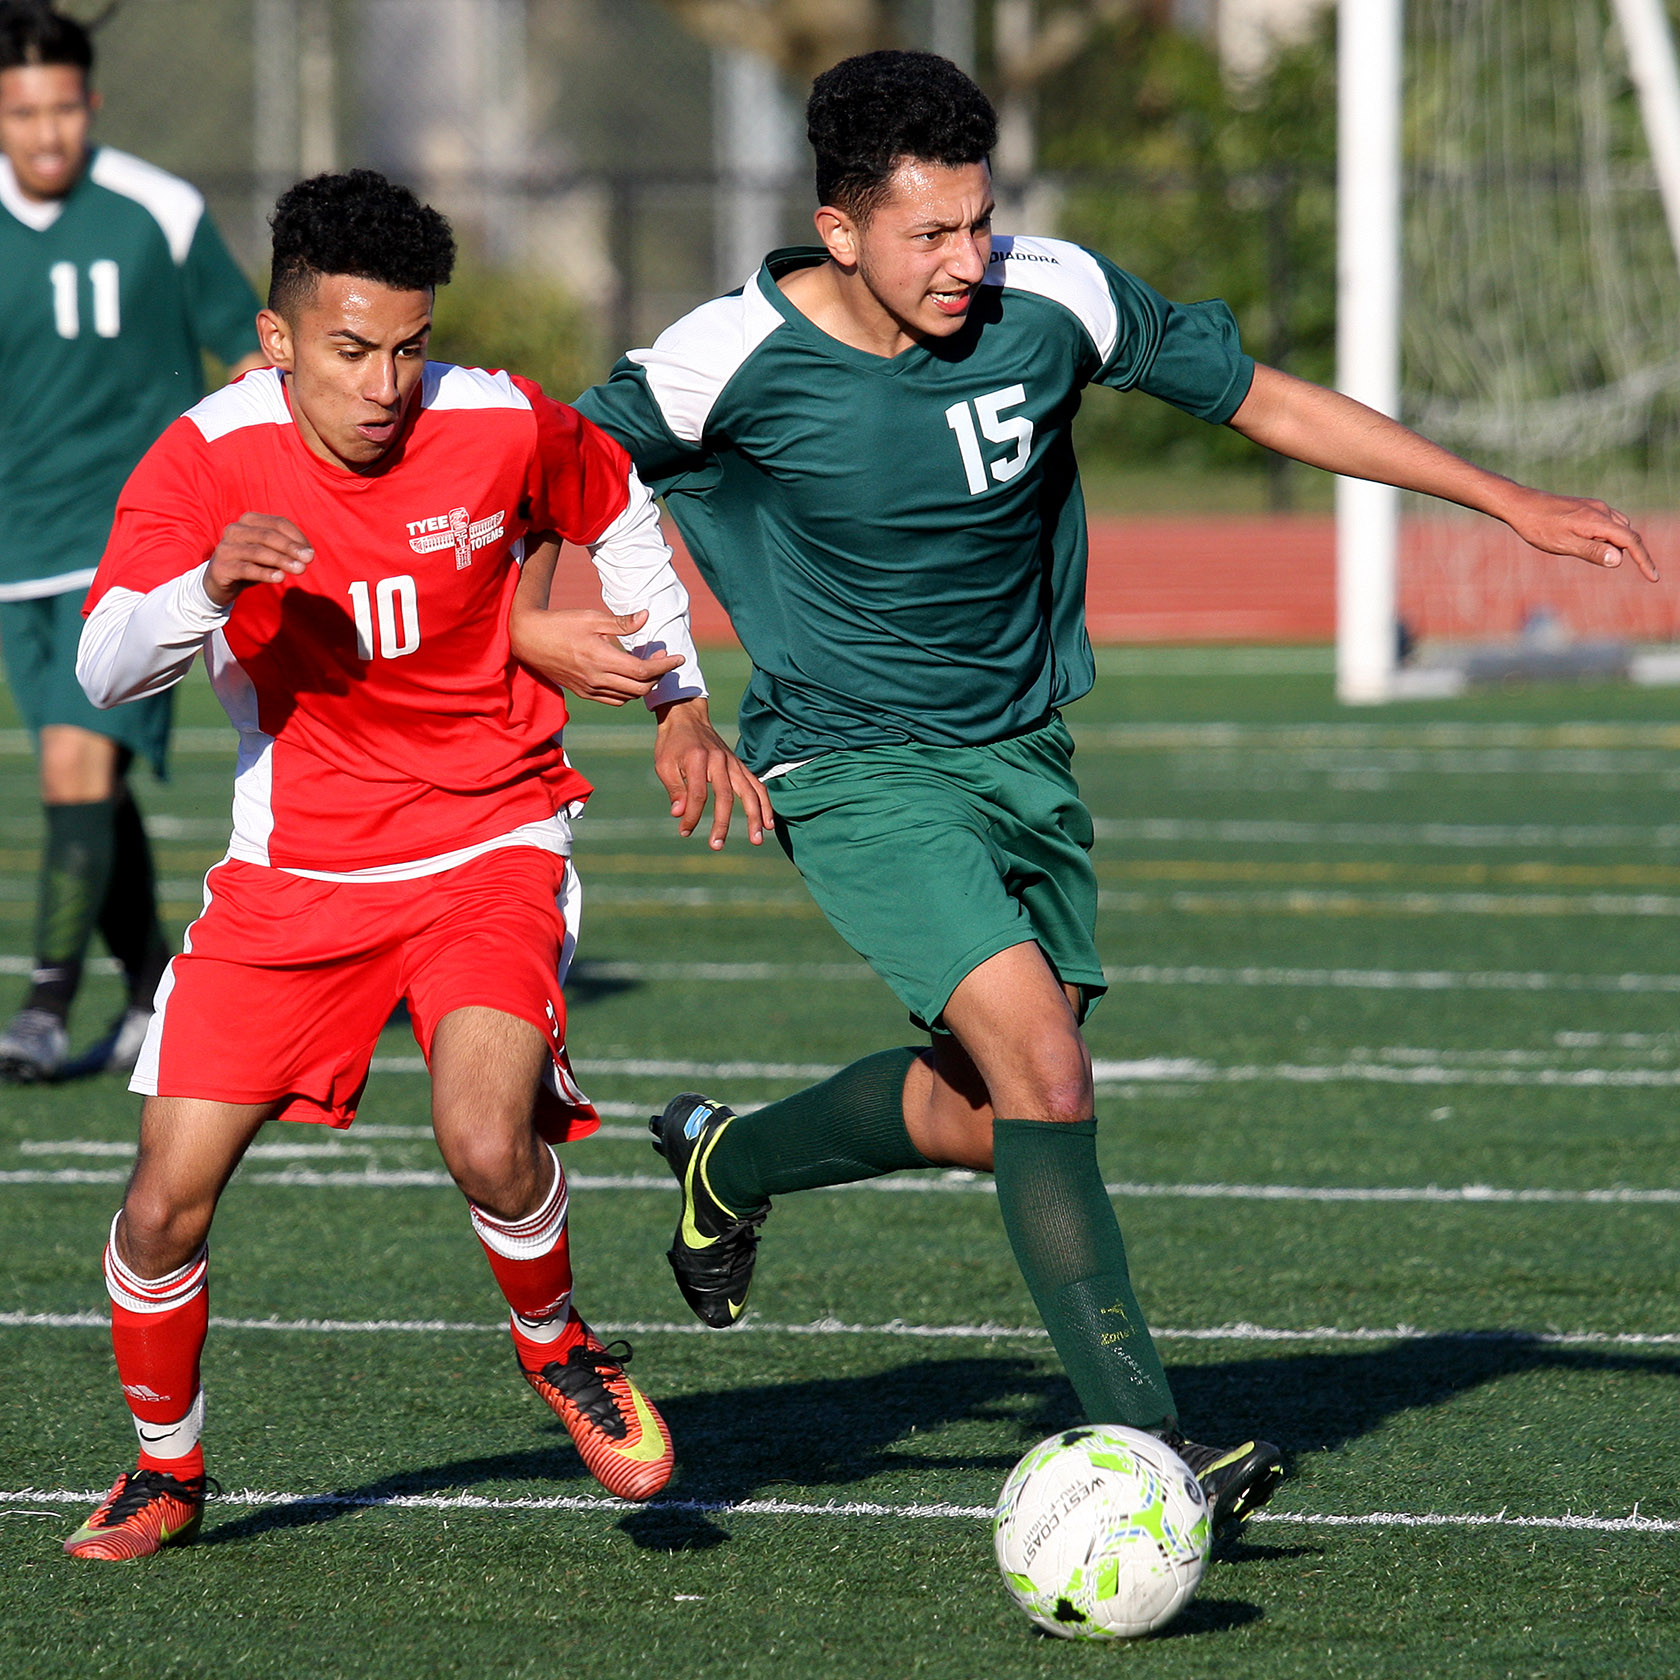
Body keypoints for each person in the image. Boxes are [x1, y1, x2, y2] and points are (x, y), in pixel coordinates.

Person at [575, 50, 1658, 1535]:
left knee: (991, 1110)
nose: (966, 263)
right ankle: (1150, 1443)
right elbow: (547, 470)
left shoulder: (1057, 293)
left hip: (1022, 754)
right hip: (849, 760)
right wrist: (666, 692)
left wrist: (1502, 498)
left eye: (979, 221)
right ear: (837, 232)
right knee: (1048, 1071)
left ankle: (729, 1156)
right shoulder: (721, 355)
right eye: (928, 236)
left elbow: (1263, 401)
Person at [62, 168, 768, 1562]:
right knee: (161, 1201)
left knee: (488, 1135)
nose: (388, 382)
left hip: (489, 837)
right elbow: (101, 665)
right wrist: (208, 588)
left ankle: (562, 1346)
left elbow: (613, 497)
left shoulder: (495, 418)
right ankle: (165, 1470)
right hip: (293, 875)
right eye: (350, 348)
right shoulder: (208, 458)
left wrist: (679, 690)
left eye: (409, 344)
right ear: (276, 341)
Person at [0, 2, 267, 1083]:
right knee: (87, 787)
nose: (47, 134)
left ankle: (43, 1010)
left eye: (64, 109)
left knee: (75, 765)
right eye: (22, 113)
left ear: (92, 103)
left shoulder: (156, 209)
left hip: (135, 541)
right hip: (17, 549)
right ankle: (161, 988)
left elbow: (248, 341)